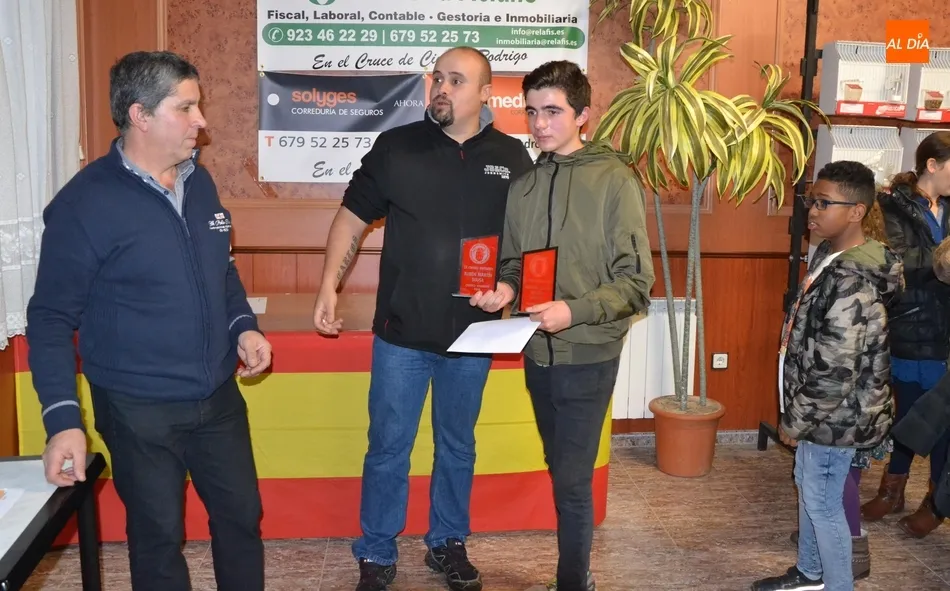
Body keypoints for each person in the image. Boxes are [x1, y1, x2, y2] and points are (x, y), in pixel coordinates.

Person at [26, 51, 272, 591]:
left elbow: (221, 272)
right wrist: (62, 420)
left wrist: (243, 326)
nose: (201, 120)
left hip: (218, 397)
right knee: (158, 539)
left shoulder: (199, 183)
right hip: (138, 409)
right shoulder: (84, 204)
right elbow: (49, 318)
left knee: (241, 518)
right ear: (139, 115)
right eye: (185, 108)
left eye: (198, 105)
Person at [312, 46, 533, 591]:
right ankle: (376, 550)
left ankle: (447, 541)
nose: (442, 87)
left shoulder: (512, 157)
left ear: (486, 93)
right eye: (438, 77)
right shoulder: (397, 147)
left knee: (457, 445)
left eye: (457, 80)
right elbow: (350, 220)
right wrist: (328, 285)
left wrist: (509, 288)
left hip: (474, 336)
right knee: (388, 447)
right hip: (402, 335)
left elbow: (528, 243)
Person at [469, 60, 655, 591]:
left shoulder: (614, 180)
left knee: (572, 482)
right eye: (532, 112)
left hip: (588, 355)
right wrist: (505, 290)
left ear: (582, 115)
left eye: (552, 111)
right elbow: (514, 264)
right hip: (536, 353)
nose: (540, 124)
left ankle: (574, 580)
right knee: (561, 469)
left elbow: (636, 282)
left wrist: (574, 310)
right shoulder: (524, 187)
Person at [752, 161, 901, 591]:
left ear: (856, 212)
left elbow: (836, 368)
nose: (812, 211)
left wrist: (796, 421)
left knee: (823, 503)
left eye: (823, 203)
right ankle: (810, 573)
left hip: (836, 416)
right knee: (809, 487)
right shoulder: (830, 256)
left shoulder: (852, 279)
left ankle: (836, 584)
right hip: (823, 411)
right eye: (811, 200)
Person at [861, 131, 950, 538]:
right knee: (911, 413)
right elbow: (897, 262)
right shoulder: (892, 205)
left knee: (943, 418)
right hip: (912, 323)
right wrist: (943, 260)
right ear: (932, 165)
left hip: (946, 330)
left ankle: (935, 502)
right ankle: (892, 489)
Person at [889, 236, 950, 523]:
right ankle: (898, 491)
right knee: (913, 418)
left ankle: (936, 504)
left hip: (938, 339)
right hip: (918, 334)